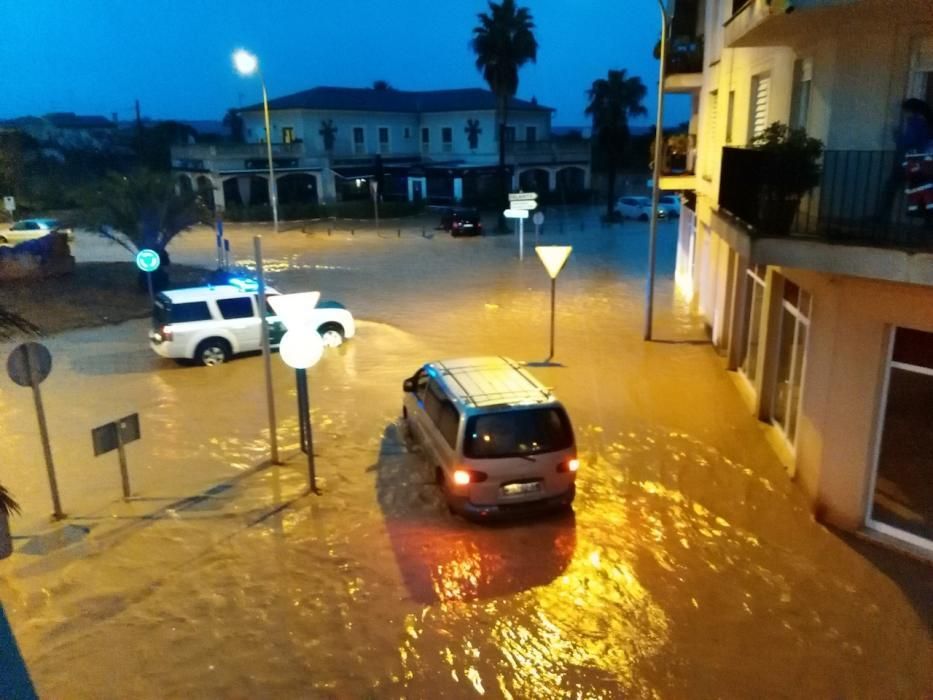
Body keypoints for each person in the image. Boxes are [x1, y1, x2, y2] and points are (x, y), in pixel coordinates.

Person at [877, 98, 933, 223]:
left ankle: (881, 217)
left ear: (909, 110)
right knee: (924, 190)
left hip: (912, 161)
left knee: (891, 186)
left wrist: (897, 136)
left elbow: (909, 141)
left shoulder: (916, 122)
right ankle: (928, 222)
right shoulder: (927, 122)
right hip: (925, 162)